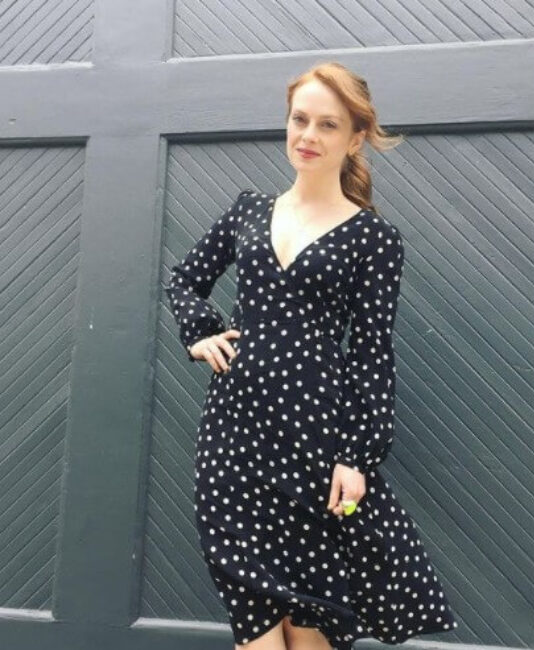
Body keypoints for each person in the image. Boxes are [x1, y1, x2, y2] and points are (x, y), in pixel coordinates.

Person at [164, 61, 459, 650]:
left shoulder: (374, 238)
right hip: (233, 435)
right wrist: (200, 332)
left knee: (310, 619)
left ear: (355, 139)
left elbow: (372, 353)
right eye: (300, 119)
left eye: (328, 125)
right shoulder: (248, 210)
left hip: (315, 443)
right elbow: (184, 279)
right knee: (252, 612)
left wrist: (357, 457)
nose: (308, 136)